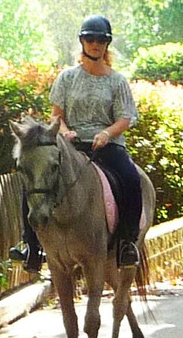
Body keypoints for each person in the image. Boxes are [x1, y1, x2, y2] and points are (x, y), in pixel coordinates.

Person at [12, 14, 144, 270]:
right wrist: (65, 131)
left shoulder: (117, 81)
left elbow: (125, 118)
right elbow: (56, 116)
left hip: (107, 146)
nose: (95, 44)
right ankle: (31, 244)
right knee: (36, 180)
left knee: (131, 178)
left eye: (100, 40)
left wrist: (106, 134)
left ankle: (127, 243)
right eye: (89, 39)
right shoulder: (67, 78)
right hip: (72, 145)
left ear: (107, 44)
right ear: (82, 42)